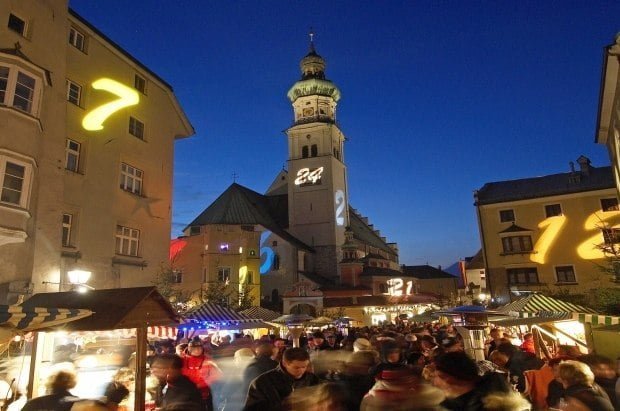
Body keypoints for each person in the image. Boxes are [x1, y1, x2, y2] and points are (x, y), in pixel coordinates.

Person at [243, 347, 320, 411]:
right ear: (285, 363)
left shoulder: (312, 379)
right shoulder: (263, 382)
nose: (301, 371)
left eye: (304, 367)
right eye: (296, 367)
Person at [432, 351, 511, 411]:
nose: (434, 381)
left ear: (446, 377)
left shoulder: (453, 407)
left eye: (435, 376)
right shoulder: (497, 393)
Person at [181, 338, 221, 411]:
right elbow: (178, 374)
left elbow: (215, 375)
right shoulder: (182, 360)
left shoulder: (208, 360)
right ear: (189, 349)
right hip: (186, 393)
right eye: (194, 348)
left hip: (204, 393)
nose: (197, 350)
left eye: (199, 348)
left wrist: (201, 384)